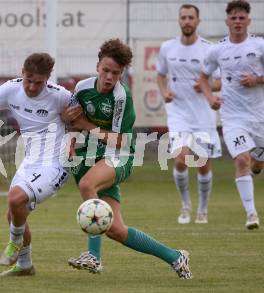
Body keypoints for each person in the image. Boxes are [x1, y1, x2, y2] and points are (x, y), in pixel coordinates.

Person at [62, 38, 192, 279]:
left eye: (116, 73)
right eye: (106, 70)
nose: (110, 77)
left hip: (119, 157)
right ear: (97, 66)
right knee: (116, 230)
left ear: (122, 73)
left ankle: (94, 257)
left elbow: (121, 141)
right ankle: (175, 257)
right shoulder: (82, 88)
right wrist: (71, 139)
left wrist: (85, 125)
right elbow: (73, 121)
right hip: (90, 156)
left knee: (87, 185)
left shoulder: (122, 97)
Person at [0, 53, 72, 277]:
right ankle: (24, 265)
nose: (31, 87)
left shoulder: (61, 96)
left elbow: (79, 119)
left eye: (38, 83)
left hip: (55, 163)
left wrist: (74, 125)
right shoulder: (11, 89)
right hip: (30, 160)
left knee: (15, 199)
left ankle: (14, 243)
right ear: (22, 73)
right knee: (14, 212)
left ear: (48, 79)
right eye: (28, 80)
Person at [200, 0, 264, 230]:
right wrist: (210, 98)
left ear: (248, 20)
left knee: (256, 164)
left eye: (241, 17)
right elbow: (203, 78)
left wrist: (256, 80)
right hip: (232, 117)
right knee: (241, 159)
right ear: (227, 21)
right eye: (233, 18)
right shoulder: (217, 50)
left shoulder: (259, 46)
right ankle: (251, 215)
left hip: (259, 117)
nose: (237, 21)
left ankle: (257, 166)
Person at [156, 4, 222, 225]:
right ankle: (185, 206)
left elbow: (220, 81)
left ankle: (202, 209)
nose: (187, 21)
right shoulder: (168, 47)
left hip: (202, 115)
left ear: (198, 21)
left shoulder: (209, 50)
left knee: (202, 163)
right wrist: (164, 91)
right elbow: (160, 75)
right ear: (179, 20)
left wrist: (206, 86)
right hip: (178, 113)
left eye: (190, 18)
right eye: (183, 17)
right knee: (181, 158)